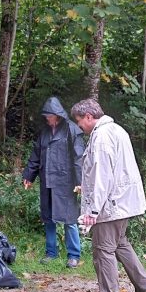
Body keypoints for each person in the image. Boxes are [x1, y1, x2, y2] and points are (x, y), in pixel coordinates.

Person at [71, 98, 146, 292]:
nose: (79, 126)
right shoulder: (116, 130)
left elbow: (103, 175)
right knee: (121, 245)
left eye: (79, 121)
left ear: (89, 117)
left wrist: (92, 211)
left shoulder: (101, 137)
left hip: (110, 205)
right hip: (122, 202)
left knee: (103, 251)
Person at [22, 96, 85, 268]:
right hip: (46, 181)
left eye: (50, 115)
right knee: (48, 218)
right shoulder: (44, 132)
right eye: (46, 116)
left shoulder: (72, 130)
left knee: (69, 219)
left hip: (66, 183)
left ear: (57, 114)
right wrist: (29, 176)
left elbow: (79, 158)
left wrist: (80, 182)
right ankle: (51, 253)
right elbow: (36, 155)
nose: (47, 118)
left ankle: (74, 255)